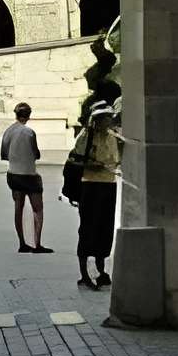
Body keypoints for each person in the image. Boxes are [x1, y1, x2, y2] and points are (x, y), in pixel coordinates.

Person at [68, 102, 120, 288]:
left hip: (109, 184)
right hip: (90, 185)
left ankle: (101, 269)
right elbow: (75, 159)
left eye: (109, 117)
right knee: (88, 228)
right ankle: (84, 273)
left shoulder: (113, 137)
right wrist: (92, 165)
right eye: (105, 117)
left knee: (105, 229)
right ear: (96, 119)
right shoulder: (86, 136)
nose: (109, 120)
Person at [0, 102, 51, 254]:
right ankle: (37, 244)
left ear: (16, 114)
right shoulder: (29, 133)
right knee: (37, 209)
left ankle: (22, 243)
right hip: (29, 175)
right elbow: (36, 154)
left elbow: (4, 154)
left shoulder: (8, 132)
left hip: (13, 174)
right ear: (29, 115)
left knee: (18, 208)